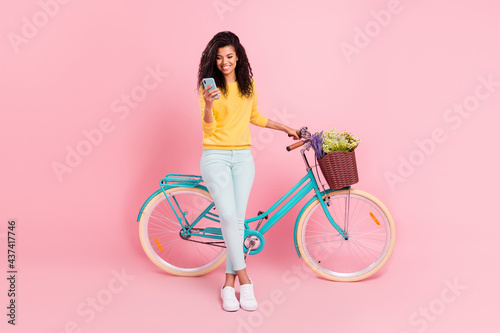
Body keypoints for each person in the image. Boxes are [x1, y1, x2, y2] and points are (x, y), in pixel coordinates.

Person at [198, 31, 300, 312]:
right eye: (218, 58)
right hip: (215, 156)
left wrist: (286, 128)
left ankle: (228, 286)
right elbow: (208, 128)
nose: (224, 62)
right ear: (213, 61)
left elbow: (254, 117)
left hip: (243, 157)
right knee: (229, 217)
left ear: (238, 56)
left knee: (238, 222)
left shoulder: (248, 84)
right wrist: (208, 105)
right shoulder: (208, 89)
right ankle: (246, 280)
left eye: (229, 56)